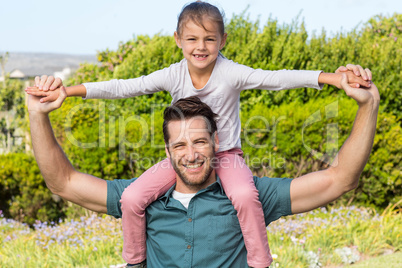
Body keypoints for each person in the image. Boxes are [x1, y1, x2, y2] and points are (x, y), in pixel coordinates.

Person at [26, 1, 372, 267]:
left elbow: (277, 78)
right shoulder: (172, 75)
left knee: (245, 198)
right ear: (178, 40)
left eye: (210, 38)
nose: (201, 46)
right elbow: (123, 87)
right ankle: (134, 261)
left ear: (223, 40)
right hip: (180, 162)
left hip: (228, 156)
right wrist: (66, 93)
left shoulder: (232, 72)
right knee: (132, 198)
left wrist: (332, 78)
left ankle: (260, 262)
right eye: (192, 38)